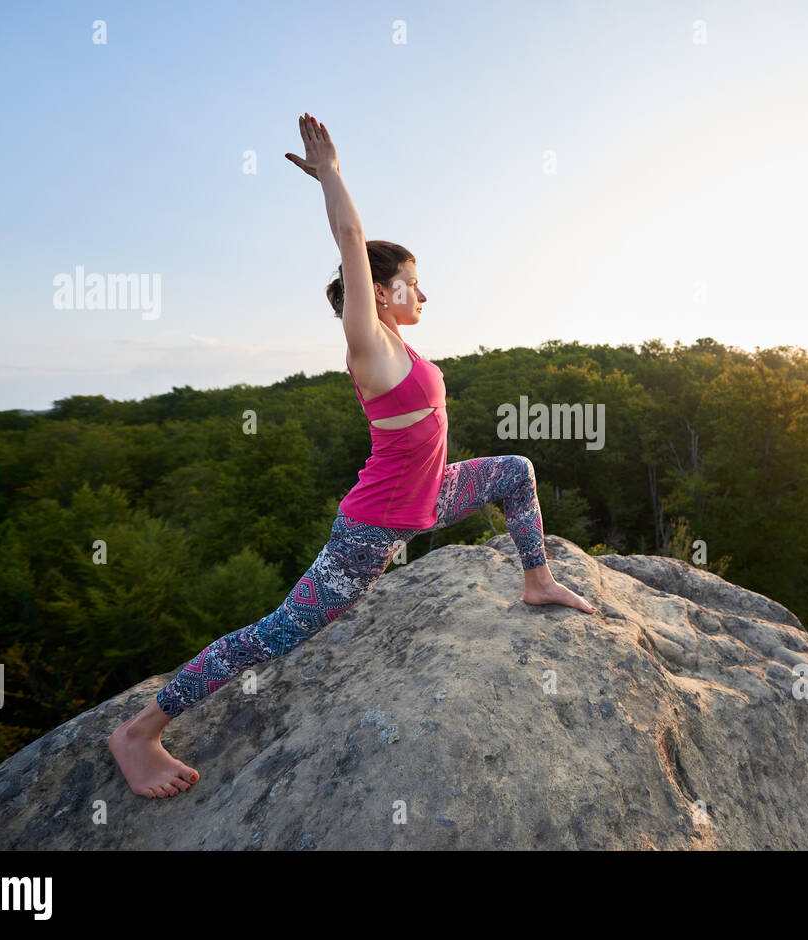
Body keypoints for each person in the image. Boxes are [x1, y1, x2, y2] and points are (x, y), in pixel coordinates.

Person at [109, 113, 595, 799]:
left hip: (431, 499)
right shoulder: (368, 344)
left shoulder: (403, 344)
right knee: (277, 634)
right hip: (371, 532)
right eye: (413, 283)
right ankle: (138, 731)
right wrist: (331, 174)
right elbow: (351, 238)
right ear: (381, 288)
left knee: (515, 471)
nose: (423, 294)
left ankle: (537, 580)